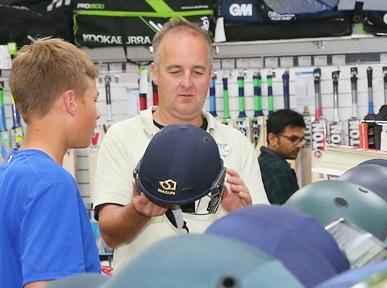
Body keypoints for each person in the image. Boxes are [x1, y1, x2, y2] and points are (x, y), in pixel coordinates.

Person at [94, 19, 268, 271]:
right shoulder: (121, 137)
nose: (187, 82)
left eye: (197, 72)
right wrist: (138, 211)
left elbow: (263, 239)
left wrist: (243, 215)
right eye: (175, 71)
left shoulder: (237, 143)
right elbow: (110, 234)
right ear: (155, 73)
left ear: (209, 74)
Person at [0, 38, 101, 288]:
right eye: (94, 99)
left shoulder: (11, 176)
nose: (96, 112)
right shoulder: (51, 184)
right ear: (70, 102)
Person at [258, 109, 306, 205]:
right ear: (272, 139)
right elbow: (289, 214)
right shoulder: (275, 169)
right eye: (293, 139)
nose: (299, 145)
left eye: (301, 139)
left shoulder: (264, 161)